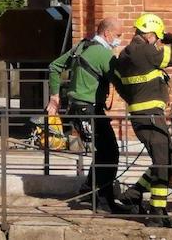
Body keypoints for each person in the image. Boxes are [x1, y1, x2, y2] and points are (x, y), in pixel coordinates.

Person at [46, 18, 125, 213]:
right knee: (110, 151)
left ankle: (91, 191)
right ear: (107, 34)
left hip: (78, 108)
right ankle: (102, 199)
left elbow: (54, 66)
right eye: (118, 36)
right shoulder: (103, 53)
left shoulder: (81, 46)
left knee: (104, 151)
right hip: (89, 109)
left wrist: (55, 96)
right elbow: (120, 79)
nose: (119, 40)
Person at [115, 13, 172, 227]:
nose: (159, 41)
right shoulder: (146, 51)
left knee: (166, 159)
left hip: (142, 115)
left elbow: (121, 87)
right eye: (158, 37)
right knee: (164, 162)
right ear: (151, 35)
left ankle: (134, 193)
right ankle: (157, 212)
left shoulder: (125, 55)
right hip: (151, 116)